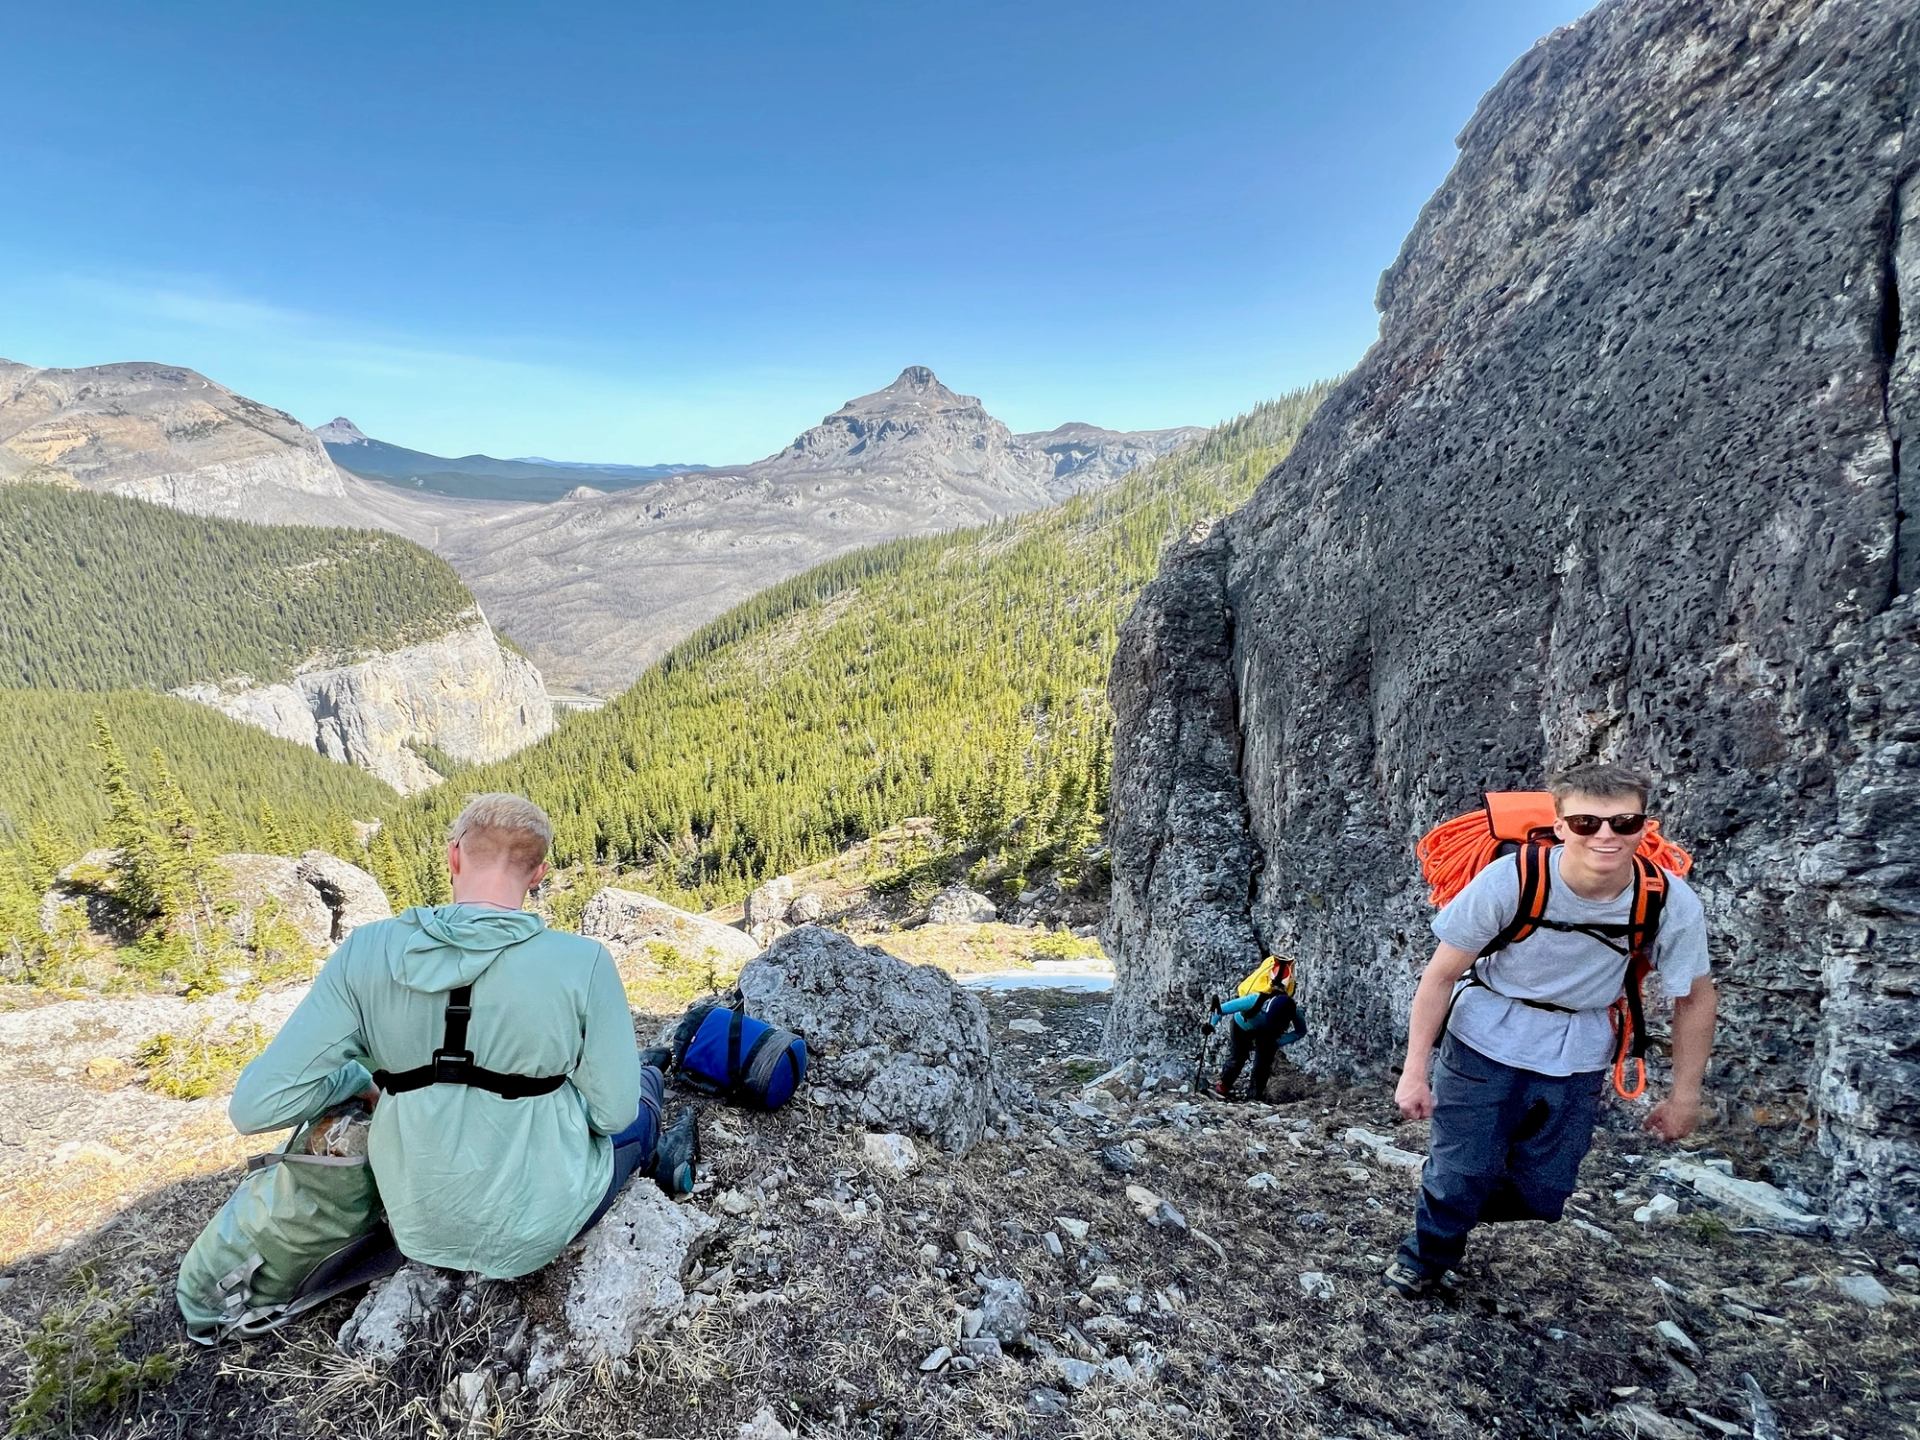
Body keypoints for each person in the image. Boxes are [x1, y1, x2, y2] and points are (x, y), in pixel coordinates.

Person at [230, 793, 696, 1281]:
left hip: (419, 1231)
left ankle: (647, 1072)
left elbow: (255, 1107)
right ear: (538, 874)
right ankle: (656, 1121)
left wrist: (354, 1078)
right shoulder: (584, 962)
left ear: (454, 855)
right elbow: (610, 1115)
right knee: (638, 1105)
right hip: (537, 1231)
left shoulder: (365, 952)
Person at [1382, 762, 1716, 1300]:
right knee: (1463, 1169)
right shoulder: (1514, 877)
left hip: (1579, 1050)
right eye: (1586, 823)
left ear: (1643, 827)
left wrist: (1685, 1096)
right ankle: (1426, 1255)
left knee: (1546, 1194)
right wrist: (1414, 1071)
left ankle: (1455, 1194)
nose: (1605, 836)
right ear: (1560, 826)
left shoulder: (1667, 899)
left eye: (1623, 823)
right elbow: (1441, 974)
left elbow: (1695, 997)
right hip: (1484, 1037)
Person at [1208, 955, 1307, 1101]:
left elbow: (1301, 1031)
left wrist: (1278, 1042)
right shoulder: (1254, 1000)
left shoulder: (1294, 1011)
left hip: (1266, 1035)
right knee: (1238, 1058)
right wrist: (1210, 1026)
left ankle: (1254, 1097)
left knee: (1262, 1066)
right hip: (1242, 1026)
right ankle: (1224, 1085)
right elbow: (1221, 1009)